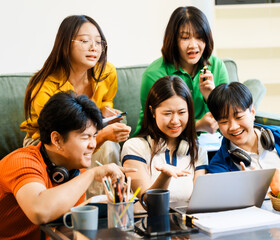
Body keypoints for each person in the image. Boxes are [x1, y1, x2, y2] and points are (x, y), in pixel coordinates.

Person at [20, 15, 131, 196]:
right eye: (85, 41)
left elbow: (106, 101)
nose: (94, 47)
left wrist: (106, 112)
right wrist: (101, 135)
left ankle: (109, 205)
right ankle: (88, 209)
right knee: (107, 145)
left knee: (108, 144)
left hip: (87, 135)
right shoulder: (44, 86)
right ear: (65, 44)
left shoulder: (107, 72)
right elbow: (59, 137)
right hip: (48, 141)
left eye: (98, 42)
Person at [0, 91, 136, 239]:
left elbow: (61, 229)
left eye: (95, 136)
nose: (93, 144)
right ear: (57, 139)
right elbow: (40, 211)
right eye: (86, 137)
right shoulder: (22, 162)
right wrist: (93, 173)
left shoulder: (75, 171)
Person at [133, 6, 229, 136]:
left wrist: (210, 98)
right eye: (185, 37)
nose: (193, 45)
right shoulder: (154, 74)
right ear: (173, 40)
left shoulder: (217, 66)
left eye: (200, 37)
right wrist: (198, 125)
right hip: (160, 143)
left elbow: (227, 120)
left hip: (208, 146)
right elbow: (152, 126)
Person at [121, 76, 208, 202]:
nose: (175, 121)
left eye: (182, 112)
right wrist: (165, 176)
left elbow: (198, 203)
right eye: (167, 113)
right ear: (153, 111)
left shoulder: (198, 151)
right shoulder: (134, 147)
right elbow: (147, 202)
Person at [206, 82, 280, 181]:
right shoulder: (218, 166)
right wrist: (244, 188)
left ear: (252, 112)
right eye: (224, 122)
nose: (233, 127)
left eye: (239, 117)